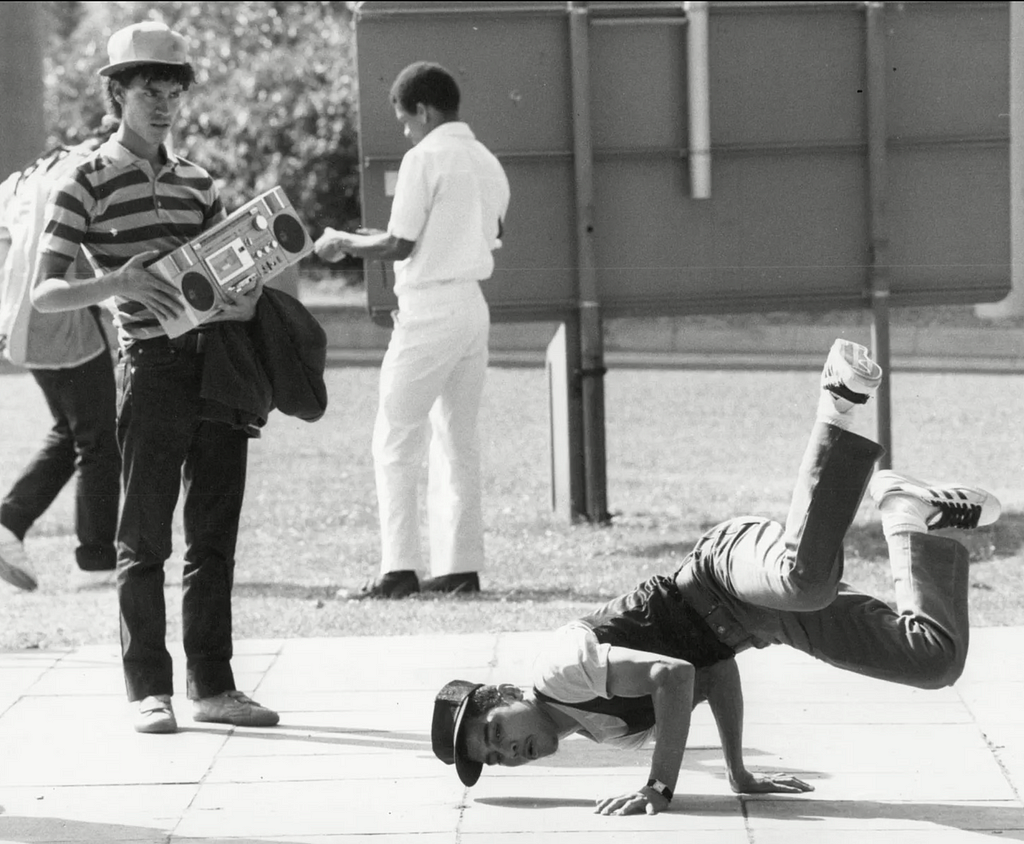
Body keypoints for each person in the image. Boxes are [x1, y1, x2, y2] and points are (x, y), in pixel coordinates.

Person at [431, 338, 1001, 816]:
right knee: (932, 661)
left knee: (805, 582)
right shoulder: (606, 732)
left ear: (503, 695)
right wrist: (738, 773)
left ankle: (838, 403)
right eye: (499, 759)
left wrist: (659, 786)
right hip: (761, 621)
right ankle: (910, 515)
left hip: (722, 571)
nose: (510, 751)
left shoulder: (559, 671)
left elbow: (672, 675)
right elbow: (713, 673)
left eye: (496, 733)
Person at [30, 21, 279, 734]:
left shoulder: (202, 182)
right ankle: (148, 689)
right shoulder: (83, 181)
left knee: (214, 535)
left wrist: (248, 288)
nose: (164, 105)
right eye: (149, 92)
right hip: (152, 368)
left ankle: (215, 686)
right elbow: (45, 293)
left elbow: (237, 277)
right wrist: (119, 282)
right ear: (115, 93)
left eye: (173, 92)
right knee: (143, 539)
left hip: (217, 366)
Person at [314, 61, 511, 599]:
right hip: (471, 303)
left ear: (422, 111)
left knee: (396, 437)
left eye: (405, 120)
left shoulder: (425, 157)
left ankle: (398, 568)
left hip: (428, 308)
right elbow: (485, 231)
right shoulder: (486, 160)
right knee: (458, 438)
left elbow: (401, 244)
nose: (406, 130)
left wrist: (344, 241)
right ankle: (460, 566)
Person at [0, 126, 121, 592]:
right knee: (98, 439)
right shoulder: (91, 168)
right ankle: (95, 560)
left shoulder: (33, 170)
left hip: (21, 321)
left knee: (71, 431)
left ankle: (10, 522)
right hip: (60, 319)